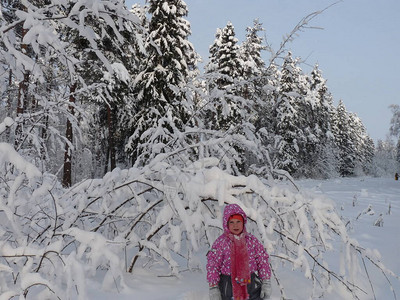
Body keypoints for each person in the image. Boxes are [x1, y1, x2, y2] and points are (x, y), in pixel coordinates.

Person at [206, 203, 272, 300]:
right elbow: (213, 264)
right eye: (231, 222)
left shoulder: (251, 241)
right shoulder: (221, 243)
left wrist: (266, 281)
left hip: (251, 284)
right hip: (228, 286)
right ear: (226, 224)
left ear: (243, 223)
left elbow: (262, 260)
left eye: (238, 221)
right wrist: (213, 287)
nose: (235, 225)